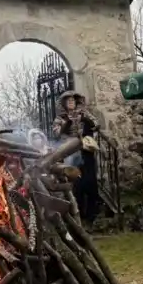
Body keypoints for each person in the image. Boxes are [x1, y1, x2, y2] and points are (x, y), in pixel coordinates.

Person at [54, 91, 100, 226]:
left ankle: (92, 216)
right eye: (68, 101)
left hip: (86, 152)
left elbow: (96, 124)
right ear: (64, 104)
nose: (71, 103)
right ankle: (78, 215)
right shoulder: (60, 117)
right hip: (71, 153)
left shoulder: (84, 113)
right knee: (76, 184)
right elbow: (56, 133)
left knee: (90, 182)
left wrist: (87, 120)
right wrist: (65, 125)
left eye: (73, 101)